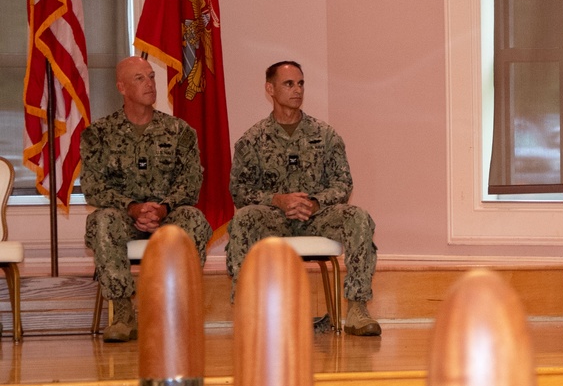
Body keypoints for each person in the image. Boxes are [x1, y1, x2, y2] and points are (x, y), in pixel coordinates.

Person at [226, 61, 380, 336]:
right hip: (274, 217)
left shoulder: (325, 135)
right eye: (289, 84)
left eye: (301, 83)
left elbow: (343, 184)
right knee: (243, 221)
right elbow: (239, 190)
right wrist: (278, 200)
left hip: (317, 216)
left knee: (358, 217)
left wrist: (315, 203)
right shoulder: (252, 140)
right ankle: (247, 310)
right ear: (270, 89)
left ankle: (357, 308)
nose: (297, 90)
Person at [81, 56, 211, 343]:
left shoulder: (179, 132)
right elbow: (93, 187)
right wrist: (133, 208)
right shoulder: (99, 134)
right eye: (140, 78)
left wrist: (162, 209)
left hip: (167, 215)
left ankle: (173, 311)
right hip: (124, 216)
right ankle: (122, 314)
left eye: (151, 76)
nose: (150, 83)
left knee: (194, 220)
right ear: (122, 88)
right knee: (102, 220)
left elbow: (191, 183)